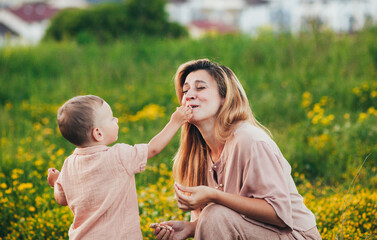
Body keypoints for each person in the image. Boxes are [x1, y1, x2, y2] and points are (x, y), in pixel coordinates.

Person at [151, 59, 321, 240]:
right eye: (185, 91)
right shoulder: (196, 155)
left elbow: (279, 214)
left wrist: (214, 196)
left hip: (294, 235)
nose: (190, 95)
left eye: (200, 88)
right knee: (213, 215)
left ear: (225, 97)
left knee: (214, 214)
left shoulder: (249, 140)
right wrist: (191, 227)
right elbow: (226, 222)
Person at [47, 95, 192, 239]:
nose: (116, 120)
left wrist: (55, 181)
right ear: (98, 133)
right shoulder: (119, 156)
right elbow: (153, 149)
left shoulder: (68, 165)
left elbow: (62, 199)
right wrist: (175, 122)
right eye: (111, 118)